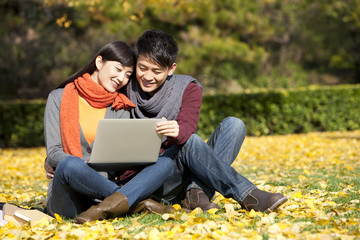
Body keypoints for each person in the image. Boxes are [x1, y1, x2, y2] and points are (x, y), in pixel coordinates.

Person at [126, 30, 288, 213]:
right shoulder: (124, 86)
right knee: (191, 141)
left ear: (171, 69)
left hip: (183, 172)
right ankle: (248, 195)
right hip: (152, 181)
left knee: (234, 125)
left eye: (156, 71)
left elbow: (187, 127)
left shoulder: (188, 88)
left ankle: (196, 194)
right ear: (135, 62)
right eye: (142, 68)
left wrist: (177, 131)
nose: (148, 77)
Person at [43, 41, 175, 224]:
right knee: (69, 164)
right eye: (118, 69)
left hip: (101, 197)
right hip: (68, 197)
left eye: (128, 75)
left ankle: (117, 202)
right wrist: (84, 166)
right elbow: (54, 153)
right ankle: (135, 202)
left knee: (166, 162)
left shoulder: (121, 106)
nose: (122, 78)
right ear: (99, 62)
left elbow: (118, 160)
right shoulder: (58, 97)